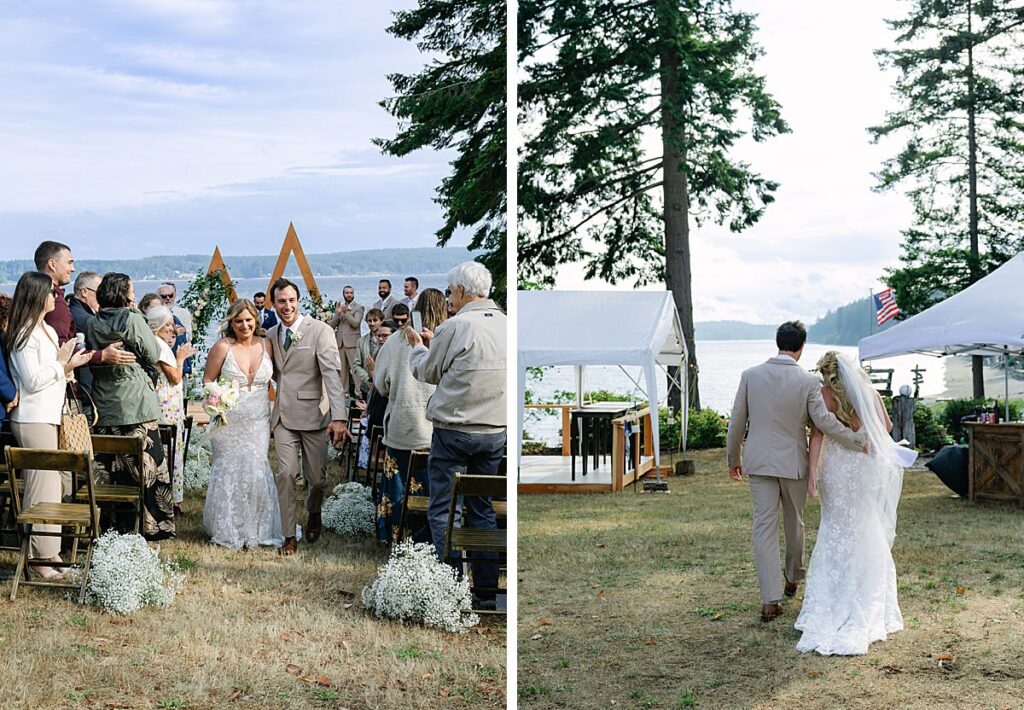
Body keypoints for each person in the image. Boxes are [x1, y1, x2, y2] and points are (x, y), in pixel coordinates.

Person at [725, 321, 867, 624]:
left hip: (759, 463)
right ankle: (792, 577)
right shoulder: (807, 382)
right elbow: (825, 422)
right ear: (801, 348)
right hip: (793, 464)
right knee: (795, 522)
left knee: (763, 528)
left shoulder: (750, 376)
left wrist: (733, 457)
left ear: (777, 342)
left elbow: (737, 420)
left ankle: (769, 600)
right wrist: (857, 440)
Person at [795, 351, 914, 655]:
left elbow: (818, 436)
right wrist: (863, 430)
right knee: (865, 523)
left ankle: (834, 597)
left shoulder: (823, 394)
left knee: (834, 525)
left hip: (835, 468)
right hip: (862, 466)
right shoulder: (870, 392)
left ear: (827, 373)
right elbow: (886, 426)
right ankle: (865, 593)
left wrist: (813, 473)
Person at [407, 262, 507, 608]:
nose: (449, 298)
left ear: (462, 291)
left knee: (443, 508)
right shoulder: (509, 326)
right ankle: (484, 593)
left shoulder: (455, 326)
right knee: (482, 510)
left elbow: (427, 371)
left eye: (451, 292)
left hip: (454, 430)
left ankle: (450, 590)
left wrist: (419, 347)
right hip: (495, 431)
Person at [5, 271, 93, 579]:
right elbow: (32, 380)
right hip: (32, 417)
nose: (55, 298)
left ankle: (48, 553)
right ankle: (41, 558)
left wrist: (67, 367)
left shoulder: (45, 330)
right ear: (36, 296)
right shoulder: (24, 334)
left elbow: (51, 372)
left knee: (51, 485)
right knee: (41, 486)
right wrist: (62, 365)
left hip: (50, 414)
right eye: (50, 294)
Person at [85, 272, 175, 540]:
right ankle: (151, 527)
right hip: (135, 404)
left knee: (111, 469)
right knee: (145, 466)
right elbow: (152, 352)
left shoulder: (92, 322)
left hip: (104, 403)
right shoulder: (131, 317)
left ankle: (113, 527)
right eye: (132, 289)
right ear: (124, 292)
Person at [266, 278, 349, 556]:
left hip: (315, 414)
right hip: (283, 418)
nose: (286, 306)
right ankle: (289, 535)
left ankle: (314, 511)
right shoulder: (270, 334)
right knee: (286, 474)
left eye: (291, 300)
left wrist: (340, 417)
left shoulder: (320, 331)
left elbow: (332, 377)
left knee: (316, 480)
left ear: (298, 301)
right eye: (281, 301)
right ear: (274, 304)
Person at [201, 299, 284, 551]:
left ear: (256, 321)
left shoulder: (268, 345)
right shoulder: (222, 347)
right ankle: (227, 527)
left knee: (257, 468)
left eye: (248, 320)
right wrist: (218, 396)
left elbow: (281, 378)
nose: (244, 325)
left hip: (258, 419)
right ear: (231, 323)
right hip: (230, 421)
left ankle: (256, 528)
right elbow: (207, 381)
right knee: (230, 470)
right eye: (238, 321)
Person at [372, 289, 447, 544]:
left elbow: (381, 384)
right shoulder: (445, 341)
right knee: (433, 488)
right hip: (436, 430)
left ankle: (398, 536)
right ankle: (430, 540)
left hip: (403, 428)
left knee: (399, 487)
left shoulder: (395, 342)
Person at [34, 241, 135, 364]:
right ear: (52, 264)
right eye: (69, 263)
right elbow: (62, 348)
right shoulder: (55, 303)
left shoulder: (36, 295)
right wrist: (101, 355)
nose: (72, 269)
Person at [146, 305, 196, 510]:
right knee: (171, 450)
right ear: (157, 326)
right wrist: (181, 357)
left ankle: (172, 499)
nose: (171, 328)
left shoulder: (156, 343)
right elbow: (174, 377)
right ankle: (169, 500)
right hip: (166, 406)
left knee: (174, 450)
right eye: (167, 324)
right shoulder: (158, 345)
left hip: (169, 403)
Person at [68, 271, 101, 406]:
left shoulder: (72, 312)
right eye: (99, 292)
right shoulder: (86, 319)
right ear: (84, 292)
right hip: (85, 390)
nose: (102, 297)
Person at [329, 285, 364, 395]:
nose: (349, 295)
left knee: (355, 370)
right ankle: (344, 393)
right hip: (340, 343)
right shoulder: (340, 307)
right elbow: (331, 326)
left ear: (353, 294)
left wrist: (346, 313)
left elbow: (355, 323)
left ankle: (359, 393)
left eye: (350, 293)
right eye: (346, 293)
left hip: (352, 343)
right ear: (343, 294)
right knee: (342, 371)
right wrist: (338, 314)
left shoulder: (359, 307)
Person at [157, 283, 193, 378]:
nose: (168, 298)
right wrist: (175, 331)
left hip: (181, 359)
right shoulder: (156, 314)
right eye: (164, 296)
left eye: (170, 295)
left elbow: (189, 337)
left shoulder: (183, 313)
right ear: (158, 298)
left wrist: (183, 330)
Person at [352, 308, 384, 400]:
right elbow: (356, 365)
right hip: (366, 387)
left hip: (383, 384)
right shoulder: (361, 341)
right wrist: (367, 380)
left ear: (381, 321)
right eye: (369, 321)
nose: (372, 323)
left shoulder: (388, 339)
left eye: (375, 320)